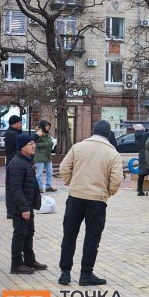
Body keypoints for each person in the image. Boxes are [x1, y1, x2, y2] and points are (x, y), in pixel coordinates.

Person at [58, 120, 123, 286]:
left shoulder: (78, 147)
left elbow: (64, 168)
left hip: (75, 197)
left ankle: (65, 273)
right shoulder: (112, 153)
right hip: (97, 200)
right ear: (108, 134)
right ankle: (86, 274)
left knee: (69, 235)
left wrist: (71, 184)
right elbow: (116, 180)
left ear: (93, 130)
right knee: (92, 238)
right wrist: (108, 193)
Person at [6, 134, 47, 274]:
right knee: (20, 234)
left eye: (33, 143)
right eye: (30, 143)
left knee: (28, 233)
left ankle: (29, 260)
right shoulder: (17, 163)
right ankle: (16, 264)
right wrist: (24, 208)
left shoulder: (26, 161)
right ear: (22, 146)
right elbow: (15, 189)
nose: (34, 145)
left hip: (27, 205)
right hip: (20, 207)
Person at [32, 120, 56, 193]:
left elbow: (51, 143)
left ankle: (48, 186)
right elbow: (34, 144)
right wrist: (45, 144)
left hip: (48, 156)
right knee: (39, 174)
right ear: (42, 126)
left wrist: (48, 144)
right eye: (46, 125)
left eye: (49, 125)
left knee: (49, 172)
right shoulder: (38, 134)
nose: (48, 127)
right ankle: (39, 187)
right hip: (40, 157)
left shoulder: (48, 135)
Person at [134, 124, 149, 196]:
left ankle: (139, 189)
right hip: (146, 155)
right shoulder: (144, 135)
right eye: (143, 126)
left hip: (141, 155)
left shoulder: (137, 135)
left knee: (141, 173)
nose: (144, 127)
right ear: (141, 128)